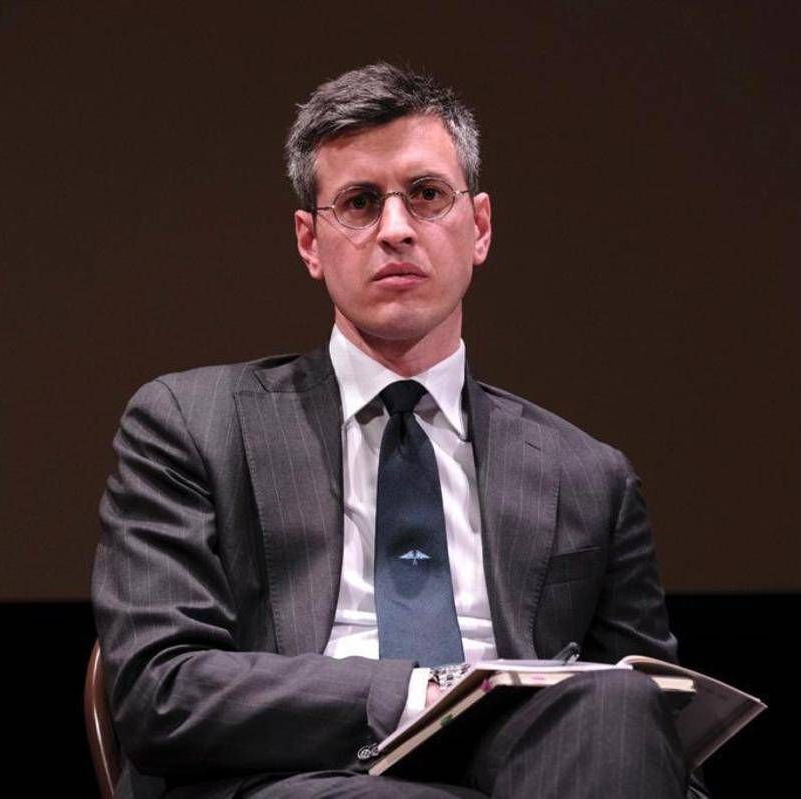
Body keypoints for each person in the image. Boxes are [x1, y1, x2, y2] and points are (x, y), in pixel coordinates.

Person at [93, 63, 708, 798]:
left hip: (533, 774)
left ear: (479, 228)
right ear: (309, 242)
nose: (396, 230)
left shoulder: (589, 476)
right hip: (296, 777)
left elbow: (660, 736)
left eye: (426, 195)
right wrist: (421, 694)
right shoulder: (189, 422)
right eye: (359, 202)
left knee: (619, 705)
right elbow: (160, 690)